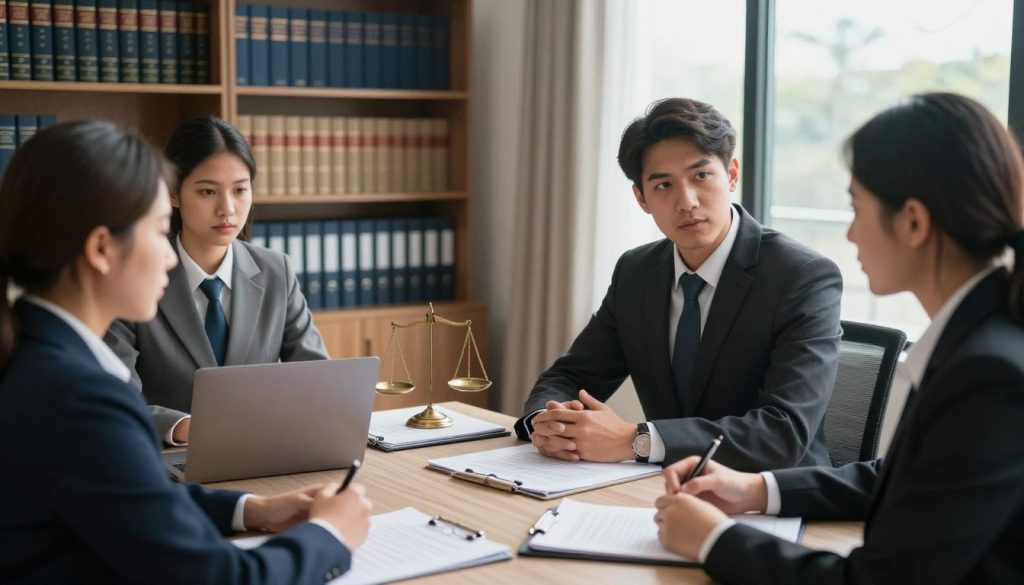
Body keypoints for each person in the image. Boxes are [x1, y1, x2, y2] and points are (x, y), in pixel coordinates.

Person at [654, 93, 1024, 585]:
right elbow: (899, 479)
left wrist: (715, 540)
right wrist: (756, 488)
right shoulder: (978, 338)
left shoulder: (991, 374)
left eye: (856, 209)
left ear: (912, 221)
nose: (849, 235)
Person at [0, 121, 372, 582]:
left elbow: (133, 494)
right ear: (101, 249)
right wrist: (330, 535)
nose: (172, 256)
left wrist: (251, 509)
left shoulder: (36, 357)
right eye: (159, 232)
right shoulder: (81, 399)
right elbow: (220, 578)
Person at [514, 98, 842, 470]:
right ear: (641, 198)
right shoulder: (636, 272)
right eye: (664, 185)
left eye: (701, 176)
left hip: (770, 497)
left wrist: (633, 439)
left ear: (731, 174)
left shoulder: (801, 276)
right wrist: (547, 421)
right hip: (666, 487)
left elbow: (782, 434)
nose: (686, 202)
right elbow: (572, 375)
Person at [105, 116, 328, 445]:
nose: (228, 209)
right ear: (174, 195)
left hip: (263, 451)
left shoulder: (275, 271)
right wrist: (186, 428)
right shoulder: (134, 277)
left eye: (240, 190)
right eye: (208, 191)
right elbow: (114, 398)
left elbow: (319, 381)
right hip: (166, 457)